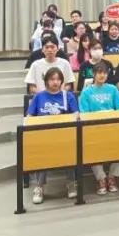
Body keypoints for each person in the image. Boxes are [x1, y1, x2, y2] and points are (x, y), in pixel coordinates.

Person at [25, 67, 80, 204]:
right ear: (46, 81)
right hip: (44, 136)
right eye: (52, 79)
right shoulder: (39, 96)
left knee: (70, 148)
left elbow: (76, 114)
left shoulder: (67, 96)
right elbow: (29, 117)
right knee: (43, 152)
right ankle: (39, 186)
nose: (55, 82)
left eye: (58, 79)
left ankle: (71, 183)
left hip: (64, 135)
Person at [77, 61, 119, 194]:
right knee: (90, 147)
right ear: (94, 74)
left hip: (112, 126)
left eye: (104, 73)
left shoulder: (113, 89)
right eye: (99, 73)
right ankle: (101, 178)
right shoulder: (86, 92)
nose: (102, 75)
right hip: (94, 129)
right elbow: (84, 113)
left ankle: (112, 177)